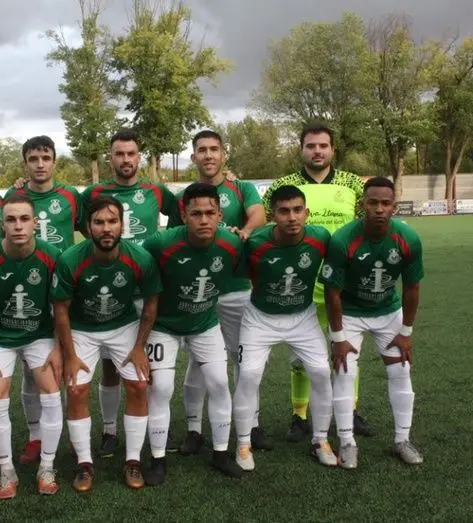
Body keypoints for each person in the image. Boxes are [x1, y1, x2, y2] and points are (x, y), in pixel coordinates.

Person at [260, 123, 373, 441]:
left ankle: (350, 410)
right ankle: (300, 416)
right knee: (300, 357)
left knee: (347, 352)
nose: (317, 151)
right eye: (311, 146)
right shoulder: (283, 186)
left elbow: (365, 229)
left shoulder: (353, 184)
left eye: (323, 145)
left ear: (333, 149)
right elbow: (268, 228)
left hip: (344, 283)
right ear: (302, 150)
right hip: (301, 283)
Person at [168, 130, 269, 454]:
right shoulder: (186, 196)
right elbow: (174, 237)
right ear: (194, 156)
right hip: (199, 294)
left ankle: (251, 424)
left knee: (243, 359)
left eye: (214, 149)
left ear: (224, 154)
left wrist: (246, 231)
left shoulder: (241, 188)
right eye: (202, 150)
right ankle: (194, 429)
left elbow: (258, 214)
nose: (208, 155)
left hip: (236, 289)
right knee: (199, 363)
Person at [51, 196, 161, 491]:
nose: (106, 228)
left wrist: (139, 346)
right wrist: (70, 355)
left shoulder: (140, 258)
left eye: (112, 221)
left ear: (122, 225)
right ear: (88, 227)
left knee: (138, 385)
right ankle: (84, 463)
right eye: (98, 222)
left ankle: (133, 460)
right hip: (82, 328)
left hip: (123, 325)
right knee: (76, 389)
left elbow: (151, 304)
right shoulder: (70, 259)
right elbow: (61, 309)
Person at [80, 129, 179, 458]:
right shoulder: (94, 192)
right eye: (119, 154)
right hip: (110, 289)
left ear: (140, 156)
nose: (125, 159)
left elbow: (180, 217)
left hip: (145, 289)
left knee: (146, 368)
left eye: (131, 153)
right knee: (111, 368)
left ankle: (154, 431)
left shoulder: (155, 190)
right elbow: (83, 224)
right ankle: (109, 431)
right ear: (110, 158)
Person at [141, 182, 245, 485]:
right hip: (164, 326)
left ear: (220, 215)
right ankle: (158, 459)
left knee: (219, 382)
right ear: (184, 216)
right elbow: (140, 274)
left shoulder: (232, 244)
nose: (204, 220)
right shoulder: (159, 243)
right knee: (161, 388)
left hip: (204, 323)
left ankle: (221, 454)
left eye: (210, 213)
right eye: (196, 214)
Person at [319, 176, 424, 468]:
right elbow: (332, 292)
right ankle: (347, 442)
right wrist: (338, 337)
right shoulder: (343, 239)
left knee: (401, 370)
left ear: (394, 207)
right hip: (350, 313)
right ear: (362, 204)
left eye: (386, 203)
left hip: (388, 312)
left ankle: (402, 440)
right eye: (373, 203)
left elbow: (412, 287)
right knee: (344, 373)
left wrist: (406, 332)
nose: (379, 209)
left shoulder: (408, 238)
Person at [232, 185, 337, 471]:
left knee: (320, 372)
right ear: (272, 215)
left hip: (303, 316)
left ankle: (320, 440)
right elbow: (237, 269)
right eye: (284, 211)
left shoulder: (320, 238)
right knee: (248, 375)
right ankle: (243, 444)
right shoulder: (255, 243)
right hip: (260, 318)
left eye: (297, 210)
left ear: (307, 213)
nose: (292, 217)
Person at [0, 193, 64, 499]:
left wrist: (58, 347)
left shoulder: (52, 255)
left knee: (51, 391)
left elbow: (61, 304)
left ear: (35, 223)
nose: (18, 225)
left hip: (39, 334)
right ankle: (7, 471)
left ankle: (47, 466)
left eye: (24, 219)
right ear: (2, 225)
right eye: (11, 219)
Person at [5, 135, 85, 465]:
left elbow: (91, 232)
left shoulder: (71, 195)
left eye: (46, 157)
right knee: (32, 370)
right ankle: (36, 437)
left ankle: (76, 436)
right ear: (25, 162)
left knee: (69, 364)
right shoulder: (14, 195)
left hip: (66, 288)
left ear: (55, 161)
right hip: (30, 289)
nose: (40, 164)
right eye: (33, 158)